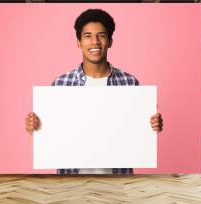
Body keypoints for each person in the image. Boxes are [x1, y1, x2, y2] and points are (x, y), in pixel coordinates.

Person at [26, 9, 163, 175]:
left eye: (101, 35)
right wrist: (35, 127)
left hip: (117, 179)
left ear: (110, 41)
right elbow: (52, 135)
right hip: (71, 180)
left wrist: (154, 125)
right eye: (88, 36)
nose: (95, 42)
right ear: (78, 42)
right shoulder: (60, 84)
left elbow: (142, 131)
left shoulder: (130, 82)